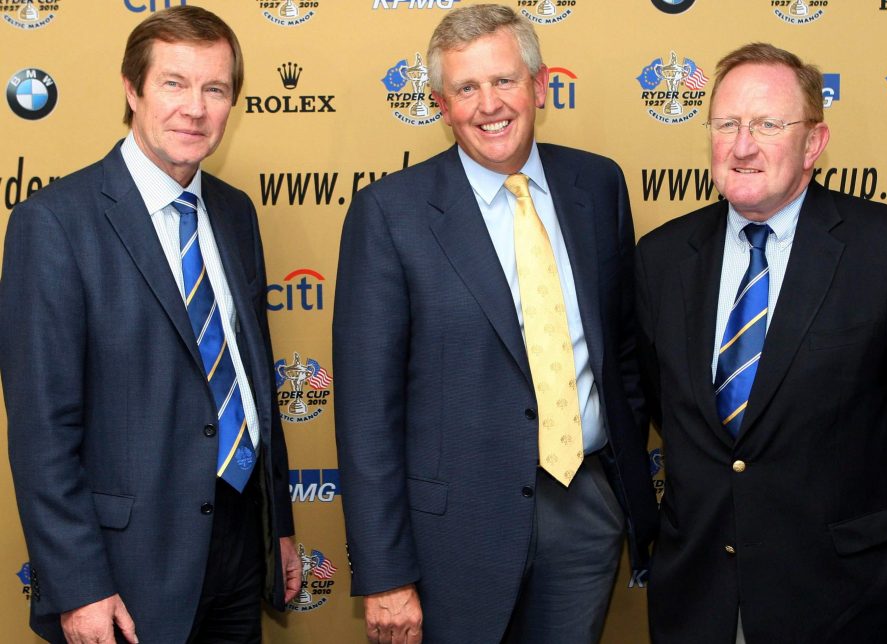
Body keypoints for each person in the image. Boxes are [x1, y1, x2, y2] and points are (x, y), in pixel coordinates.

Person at [333, 4, 657, 643]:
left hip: (584, 504)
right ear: (441, 104)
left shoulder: (599, 184)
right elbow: (367, 413)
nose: (489, 104)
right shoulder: (389, 214)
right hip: (451, 530)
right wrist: (386, 572)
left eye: (504, 80)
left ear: (539, 86)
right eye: (466, 88)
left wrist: (618, 494)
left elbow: (621, 348)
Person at [634, 42, 887, 643]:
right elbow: (669, 406)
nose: (742, 144)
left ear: (814, 142)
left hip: (838, 592)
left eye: (767, 124)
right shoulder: (660, 259)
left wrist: (849, 485)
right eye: (726, 123)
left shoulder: (886, 250)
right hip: (697, 593)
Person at [0, 7, 299, 643]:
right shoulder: (54, 225)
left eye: (215, 89)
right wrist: (80, 588)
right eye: (173, 83)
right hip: (126, 569)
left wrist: (278, 530)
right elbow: (42, 433)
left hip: (241, 545)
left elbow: (251, 385)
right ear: (131, 89)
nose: (195, 108)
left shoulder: (235, 213)